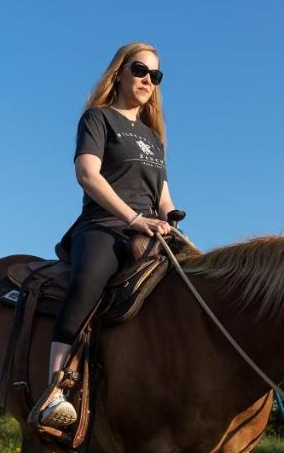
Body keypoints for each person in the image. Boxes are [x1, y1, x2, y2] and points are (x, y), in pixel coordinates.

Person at [34, 42, 177, 429]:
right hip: (104, 226)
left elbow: (163, 196)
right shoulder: (98, 119)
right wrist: (133, 218)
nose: (148, 80)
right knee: (87, 282)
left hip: (150, 231)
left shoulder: (153, 138)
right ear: (119, 72)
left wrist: (172, 222)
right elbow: (87, 175)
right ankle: (54, 391)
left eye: (156, 75)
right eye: (140, 70)